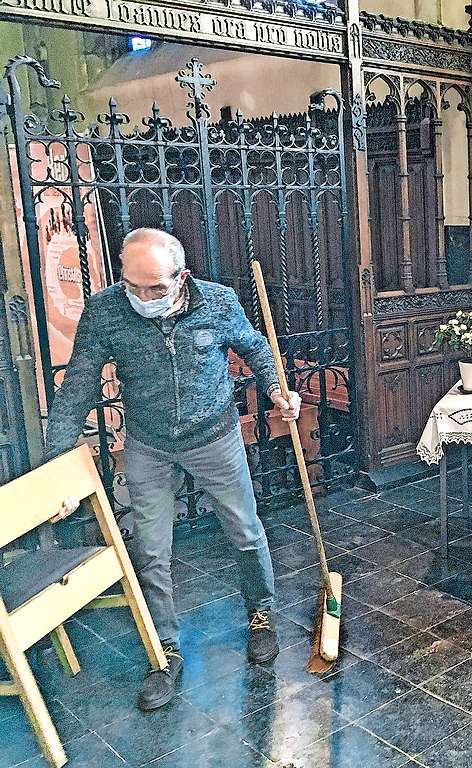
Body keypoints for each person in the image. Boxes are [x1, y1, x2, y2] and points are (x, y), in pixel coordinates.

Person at [45, 228, 301, 711]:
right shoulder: (105, 311)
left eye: (156, 288)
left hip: (215, 436)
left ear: (181, 278)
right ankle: (164, 650)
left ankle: (262, 614)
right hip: (149, 444)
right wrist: (58, 466)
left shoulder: (219, 302)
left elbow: (256, 348)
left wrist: (275, 390)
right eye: (133, 286)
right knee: (152, 550)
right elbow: (77, 388)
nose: (143, 297)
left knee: (246, 531)